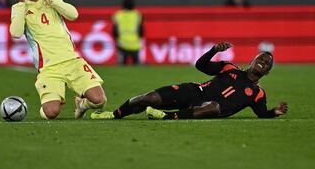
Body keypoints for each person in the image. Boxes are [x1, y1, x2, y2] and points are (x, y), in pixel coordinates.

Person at [91, 42, 288, 120]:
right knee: (149, 98)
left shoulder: (258, 93)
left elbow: (262, 113)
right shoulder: (229, 68)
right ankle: (114, 115)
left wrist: (274, 112)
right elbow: (200, 66)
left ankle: (167, 117)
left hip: (209, 107)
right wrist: (214, 51)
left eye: (267, 63)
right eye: (261, 58)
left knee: (214, 107)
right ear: (252, 60)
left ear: (268, 72)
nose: (263, 61)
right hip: (195, 91)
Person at [10, 0, 107, 120]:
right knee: (51, 113)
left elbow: (73, 14)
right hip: (49, 68)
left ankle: (81, 104)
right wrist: (21, 3)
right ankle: (48, 101)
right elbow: (15, 33)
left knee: (99, 100)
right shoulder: (19, 8)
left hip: (72, 60)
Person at [112, 0, 143, 65]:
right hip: (135, 45)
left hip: (122, 45)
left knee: (121, 69)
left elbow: (114, 32)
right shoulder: (137, 15)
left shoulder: (118, 15)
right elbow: (141, 32)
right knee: (137, 69)